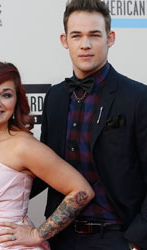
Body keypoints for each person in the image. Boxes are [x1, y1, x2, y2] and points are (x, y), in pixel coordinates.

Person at [30, 0, 147, 249]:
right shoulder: (55, 98)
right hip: (61, 237)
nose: (85, 44)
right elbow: (44, 168)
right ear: (65, 40)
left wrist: (137, 240)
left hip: (117, 237)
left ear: (110, 38)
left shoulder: (138, 98)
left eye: (94, 35)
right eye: (77, 35)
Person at [0, 61, 94, 250]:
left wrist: (37, 234)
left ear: (16, 101)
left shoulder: (23, 145)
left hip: (4, 245)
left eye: (6, 95)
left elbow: (81, 190)